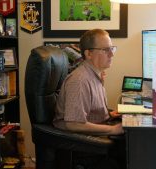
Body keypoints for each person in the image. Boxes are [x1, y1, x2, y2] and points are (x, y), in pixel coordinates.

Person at [53, 29, 126, 169]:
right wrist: (113, 130)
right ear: (89, 53)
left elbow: (87, 111)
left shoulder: (95, 75)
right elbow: (73, 124)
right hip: (84, 149)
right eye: (105, 50)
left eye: (112, 49)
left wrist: (108, 114)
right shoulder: (80, 81)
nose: (111, 54)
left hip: (93, 139)